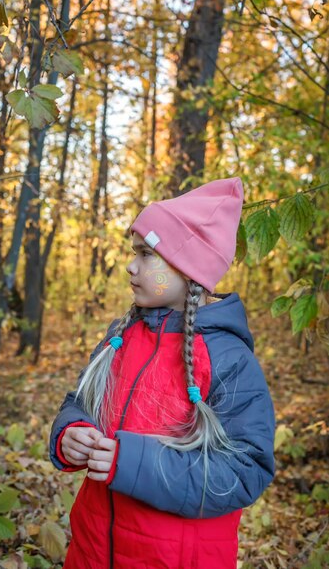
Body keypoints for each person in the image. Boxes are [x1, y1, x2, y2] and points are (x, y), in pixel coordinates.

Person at [49, 177, 275, 569]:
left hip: (174, 558)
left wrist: (131, 463)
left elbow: (245, 470)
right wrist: (71, 433)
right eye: (133, 252)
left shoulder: (228, 358)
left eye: (146, 254)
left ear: (189, 267)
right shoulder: (121, 336)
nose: (130, 265)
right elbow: (82, 401)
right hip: (92, 550)